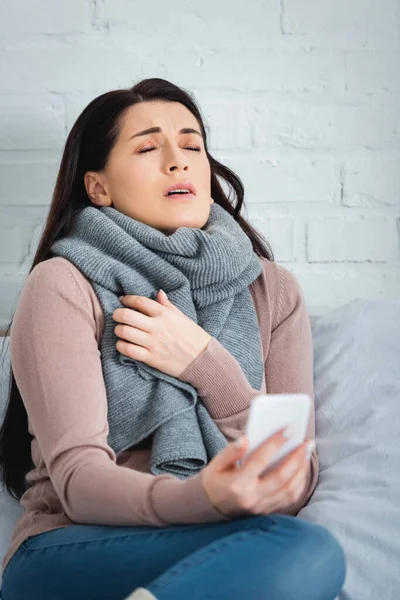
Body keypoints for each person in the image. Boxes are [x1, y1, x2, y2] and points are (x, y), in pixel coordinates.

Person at [0, 78, 346, 600]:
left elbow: (292, 480)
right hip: (70, 551)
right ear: (98, 187)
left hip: (223, 542)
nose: (178, 161)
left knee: (309, 552)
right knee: (303, 554)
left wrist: (205, 363)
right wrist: (205, 497)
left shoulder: (272, 291)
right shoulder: (63, 283)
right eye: (147, 147)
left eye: (191, 145)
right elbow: (77, 479)